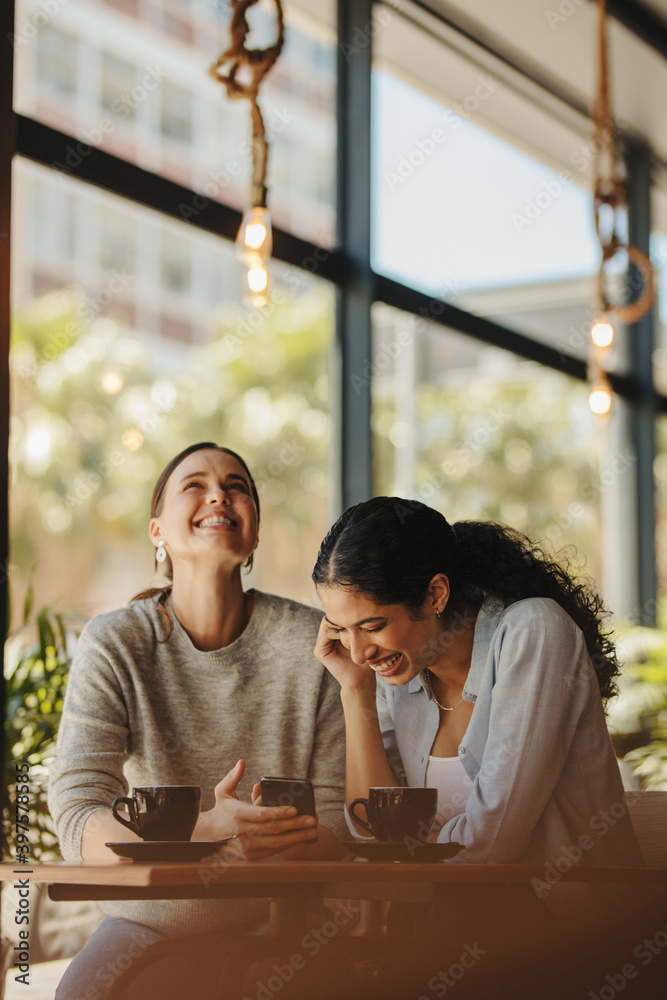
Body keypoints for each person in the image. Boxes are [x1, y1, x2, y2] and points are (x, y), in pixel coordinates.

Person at [312, 496, 649, 992]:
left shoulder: (533, 632)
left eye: (373, 626)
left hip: (575, 940)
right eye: (341, 629)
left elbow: (493, 843)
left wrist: (405, 852)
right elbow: (373, 833)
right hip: (458, 929)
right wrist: (355, 693)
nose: (359, 652)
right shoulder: (396, 676)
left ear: (435, 594)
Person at [49, 442, 347, 999]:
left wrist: (267, 844)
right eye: (195, 485)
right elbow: (77, 805)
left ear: (254, 533)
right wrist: (197, 838)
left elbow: (336, 821)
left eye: (238, 487)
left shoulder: (316, 644)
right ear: (157, 529)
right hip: (147, 923)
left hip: (286, 925)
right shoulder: (116, 642)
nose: (219, 494)